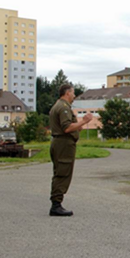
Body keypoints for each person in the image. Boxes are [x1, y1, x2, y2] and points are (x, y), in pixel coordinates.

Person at [48, 83, 93, 216]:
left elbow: (72, 126)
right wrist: (84, 121)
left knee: (61, 171)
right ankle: (56, 205)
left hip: (61, 143)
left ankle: (56, 203)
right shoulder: (63, 108)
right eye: (73, 93)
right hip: (63, 144)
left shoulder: (60, 106)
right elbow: (67, 128)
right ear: (67, 93)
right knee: (62, 173)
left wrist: (78, 124)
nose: (74, 95)